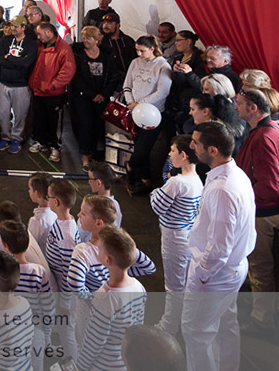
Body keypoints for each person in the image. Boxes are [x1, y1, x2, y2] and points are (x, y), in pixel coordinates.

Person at [183, 120, 256, 371]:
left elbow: (219, 247)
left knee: (196, 332)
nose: (192, 146)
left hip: (216, 274)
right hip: (233, 268)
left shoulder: (221, 189)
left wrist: (202, 274)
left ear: (213, 150)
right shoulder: (236, 175)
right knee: (226, 324)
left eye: (196, 143)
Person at [233, 87, 279, 331]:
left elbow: (270, 186)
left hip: (262, 214)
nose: (235, 107)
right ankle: (274, 311)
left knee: (260, 269)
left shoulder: (263, 137)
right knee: (273, 266)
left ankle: (261, 320)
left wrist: (244, 202)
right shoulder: (273, 131)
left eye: (239, 103)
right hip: (271, 211)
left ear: (253, 108)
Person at [150, 134, 203, 336]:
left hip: (174, 239)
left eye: (173, 151)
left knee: (173, 286)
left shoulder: (177, 183)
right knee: (184, 283)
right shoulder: (197, 180)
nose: (170, 154)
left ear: (183, 155)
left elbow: (157, 207)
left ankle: (169, 326)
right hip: (188, 236)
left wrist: (155, 192)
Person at [76, 227, 148, 371]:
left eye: (99, 248)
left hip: (103, 365)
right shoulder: (139, 287)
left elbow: (93, 343)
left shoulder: (104, 298)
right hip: (125, 363)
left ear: (107, 260)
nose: (97, 249)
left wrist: (79, 367)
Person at [123, 35, 173, 195]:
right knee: (138, 144)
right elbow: (127, 85)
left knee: (144, 147)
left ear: (152, 49)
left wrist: (141, 103)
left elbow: (163, 91)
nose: (139, 54)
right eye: (137, 50)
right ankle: (145, 179)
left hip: (153, 113)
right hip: (135, 110)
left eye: (142, 51)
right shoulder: (135, 62)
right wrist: (131, 102)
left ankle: (131, 167)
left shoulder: (162, 65)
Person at [69, 25, 121, 166]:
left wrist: (104, 94)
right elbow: (76, 77)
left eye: (89, 38)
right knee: (85, 124)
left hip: (102, 95)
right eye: (84, 37)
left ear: (97, 40)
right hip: (83, 95)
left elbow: (113, 76)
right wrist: (92, 95)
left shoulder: (107, 54)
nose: (85, 40)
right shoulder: (78, 54)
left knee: (100, 124)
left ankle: (98, 153)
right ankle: (85, 154)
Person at [28, 23, 75, 163]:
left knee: (55, 121)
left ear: (49, 32)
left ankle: (55, 146)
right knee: (39, 118)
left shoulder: (64, 49)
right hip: (38, 90)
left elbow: (68, 71)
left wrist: (52, 85)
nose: (38, 37)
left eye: (40, 34)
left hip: (54, 93)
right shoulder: (39, 46)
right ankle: (41, 142)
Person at [0, 14, 37, 154]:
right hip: (3, 83)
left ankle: (16, 139)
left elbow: (27, 63)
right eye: (11, 26)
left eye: (15, 26)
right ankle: (5, 138)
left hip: (21, 85)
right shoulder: (5, 40)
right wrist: (18, 62)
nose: (12, 28)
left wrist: (9, 58)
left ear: (23, 27)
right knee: (2, 114)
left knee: (20, 116)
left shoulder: (30, 43)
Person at [99, 11, 136, 75]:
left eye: (109, 23)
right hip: (110, 79)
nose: (105, 25)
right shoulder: (100, 42)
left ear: (118, 25)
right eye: (104, 22)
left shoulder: (128, 41)